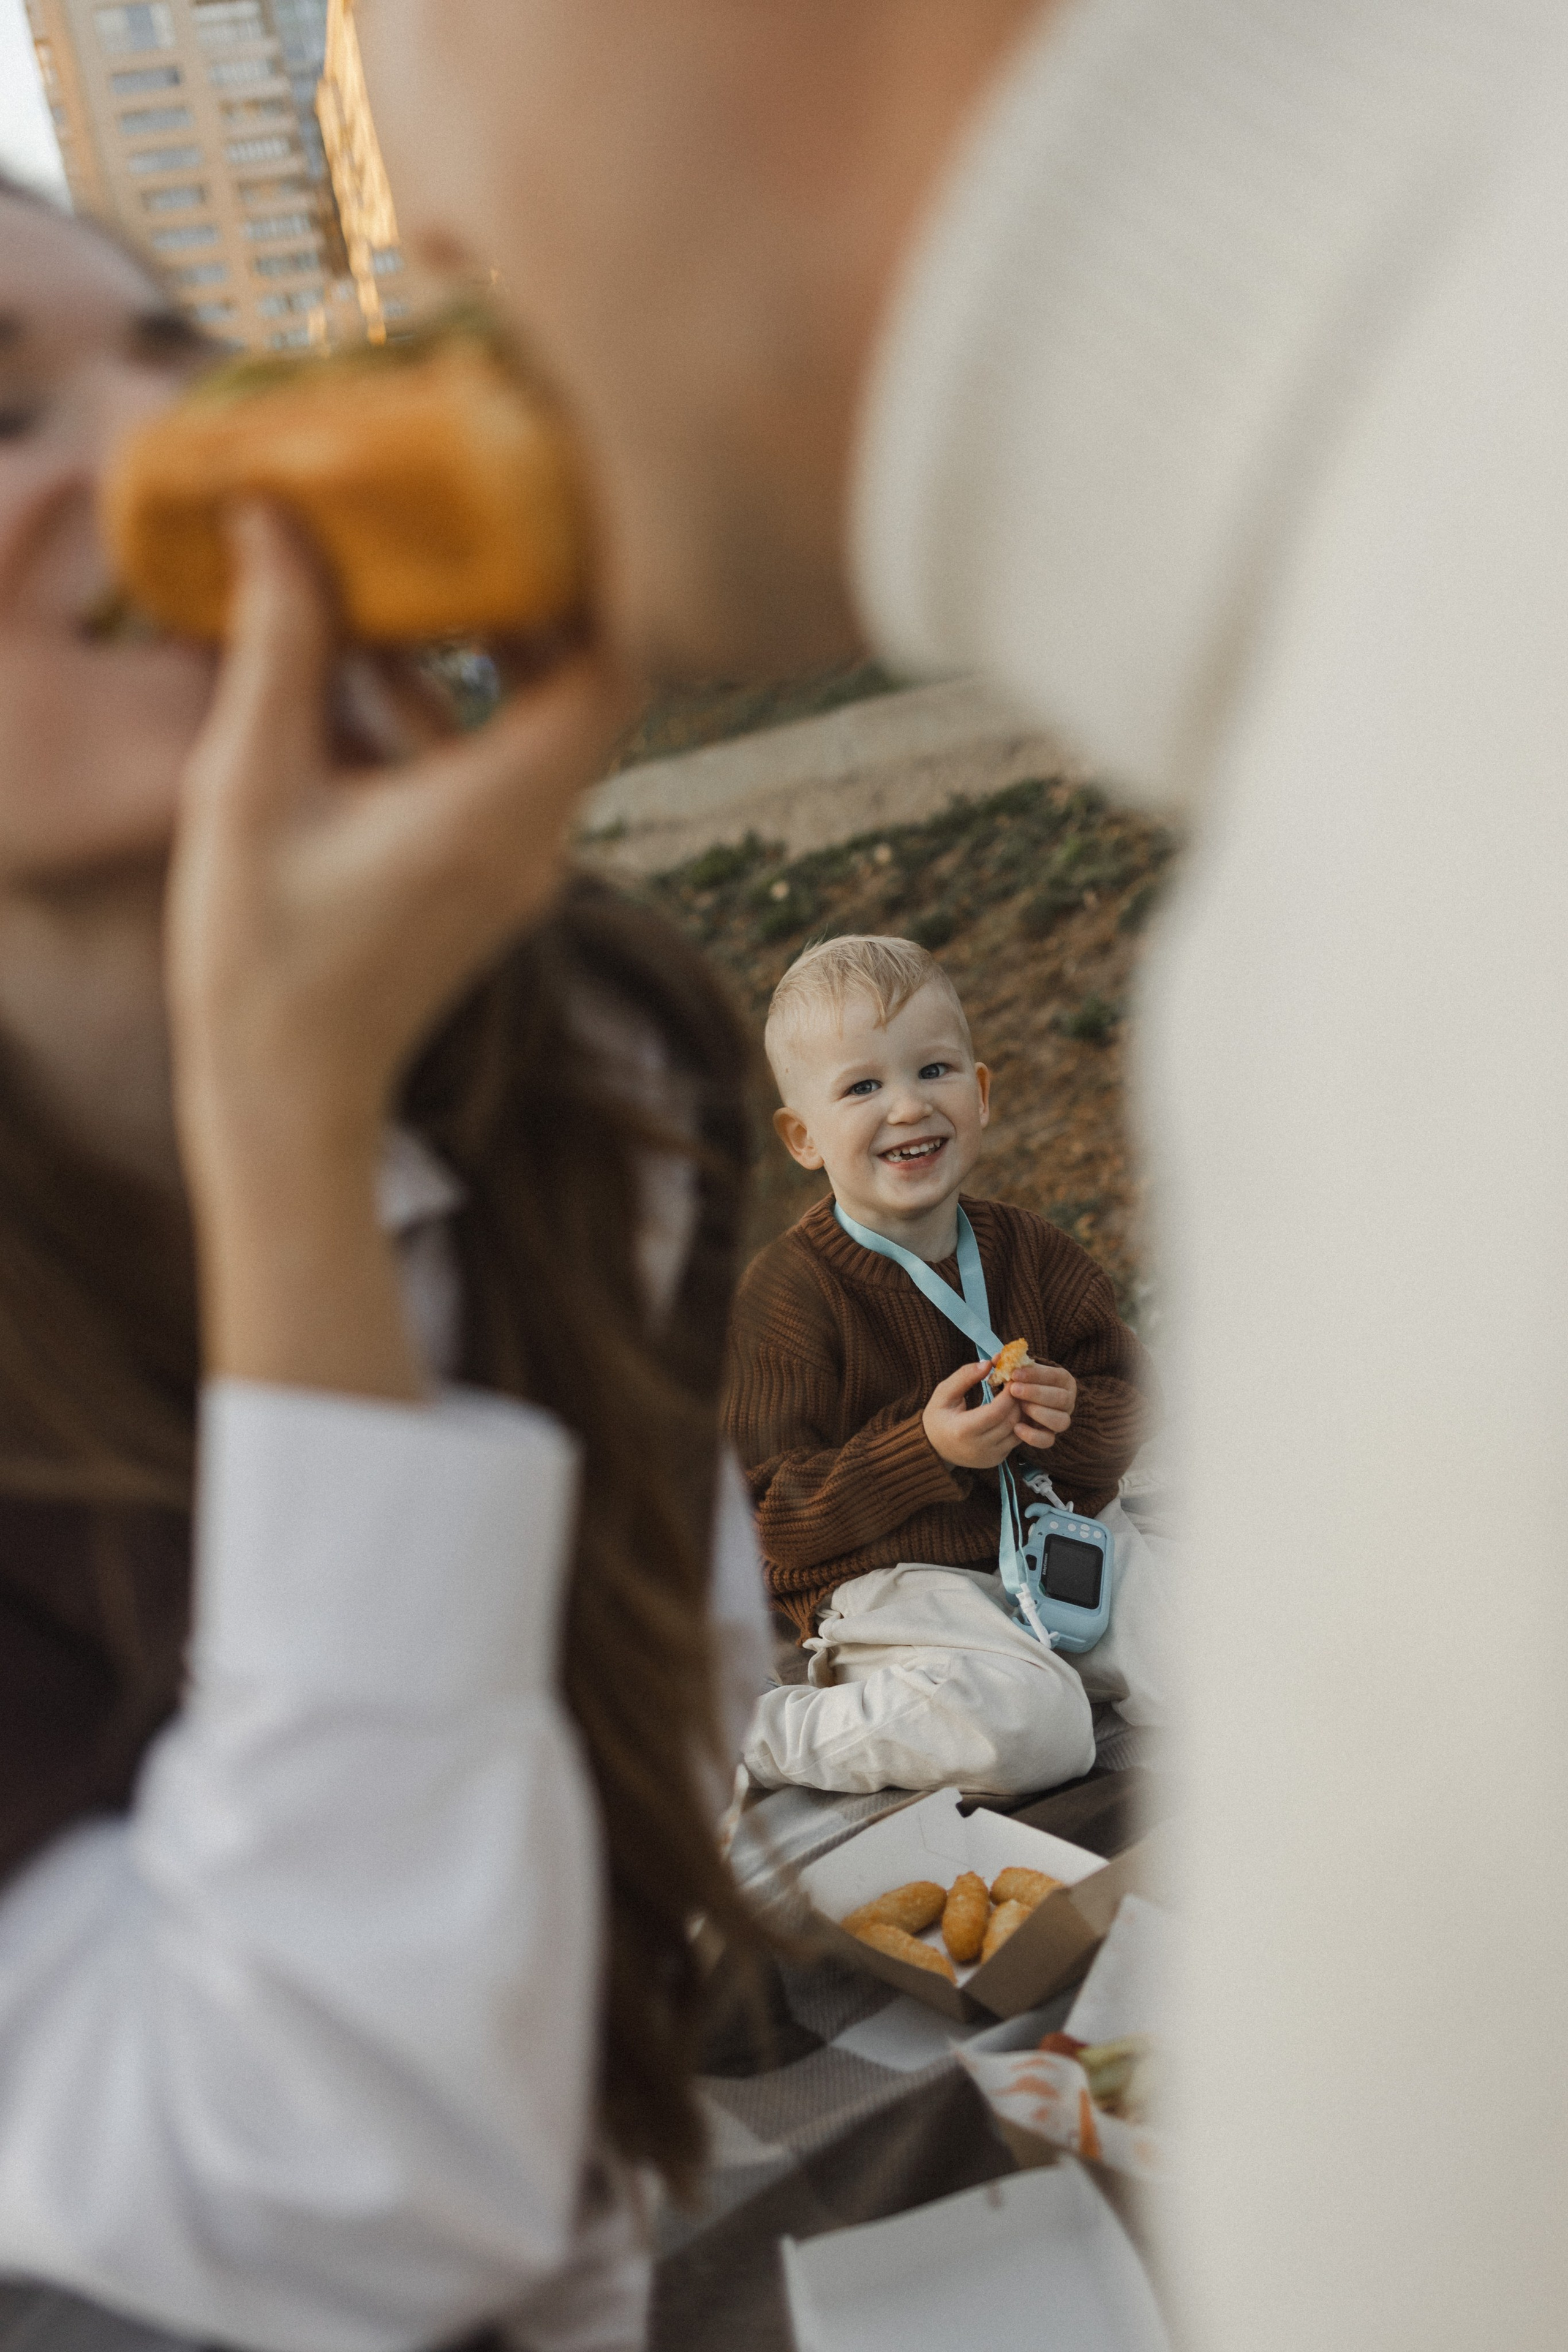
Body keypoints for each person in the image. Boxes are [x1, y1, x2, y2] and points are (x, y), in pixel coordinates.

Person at [361, 1, 1568, 2343]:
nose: (424, 264)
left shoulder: (1446, 784)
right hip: (917, 1606)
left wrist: (1074, 1438)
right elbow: (775, 1499)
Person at [0, 179, 770, 2352]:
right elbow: (339, 2199)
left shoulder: (599, 1050)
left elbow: (650, 1782)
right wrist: (282, 1120)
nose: (163, 452)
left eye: (173, 353)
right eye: (1, 412)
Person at [726, 934, 1166, 1796]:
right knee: (1031, 1732)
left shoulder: (1029, 1249)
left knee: (1239, 1670)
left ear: (982, 1091)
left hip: (1062, 1534)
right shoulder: (788, 1297)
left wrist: (1074, 1417)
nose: (906, 1108)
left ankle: (1063, 1679)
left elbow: (1133, 1397)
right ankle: (767, 1729)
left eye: (933, 1072)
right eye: (862, 1087)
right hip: (899, 1574)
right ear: (802, 1136)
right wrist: (925, 1455)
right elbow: (765, 1522)